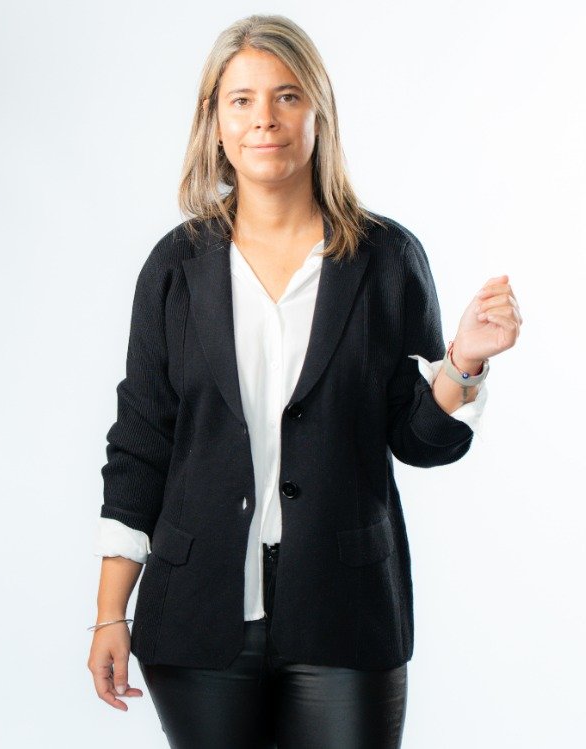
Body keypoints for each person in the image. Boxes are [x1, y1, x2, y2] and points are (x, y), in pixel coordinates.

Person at [87, 13, 522, 749]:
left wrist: (463, 364)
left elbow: (418, 439)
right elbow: (141, 441)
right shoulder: (174, 268)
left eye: (287, 96)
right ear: (215, 121)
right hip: (196, 620)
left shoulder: (386, 259)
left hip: (347, 611)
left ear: (319, 113)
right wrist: (109, 612)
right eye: (242, 100)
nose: (265, 118)